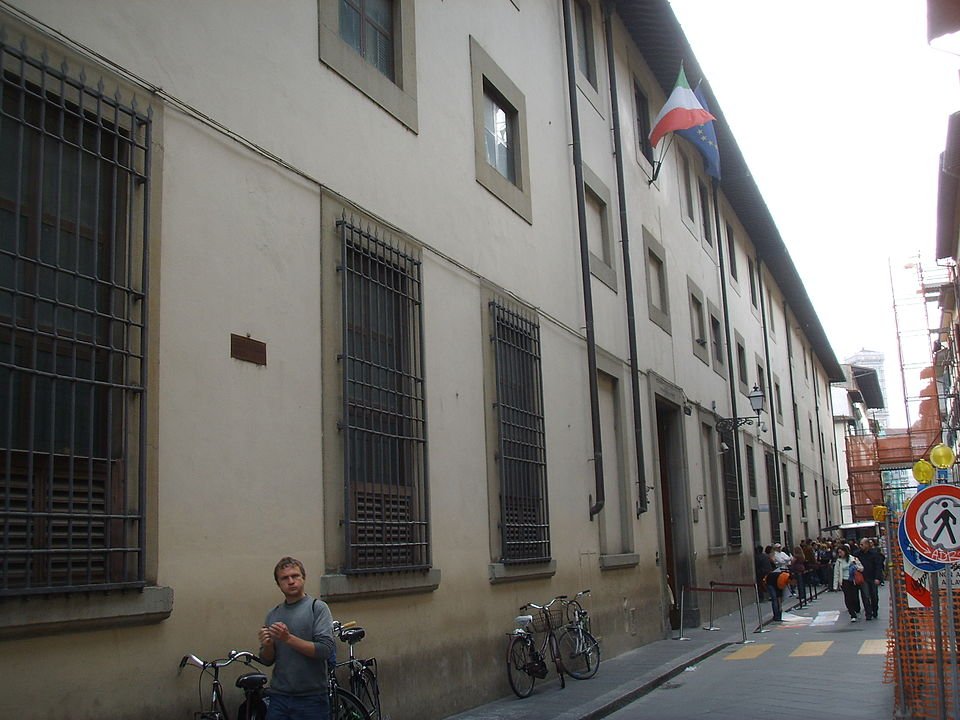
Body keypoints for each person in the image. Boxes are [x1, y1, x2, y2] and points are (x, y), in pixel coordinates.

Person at [258, 557, 336, 720]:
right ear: (278, 583)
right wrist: (267, 646)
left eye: (295, 576)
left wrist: (288, 639)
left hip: (311, 698)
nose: (291, 581)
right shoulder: (273, 614)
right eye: (284, 578)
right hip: (279, 697)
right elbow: (266, 660)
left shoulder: (318, 608)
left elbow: (325, 650)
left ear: (303, 578)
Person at [833, 545, 864, 622]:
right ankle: (852, 614)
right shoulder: (838, 561)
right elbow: (836, 573)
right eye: (839, 552)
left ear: (845, 551)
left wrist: (856, 567)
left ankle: (857, 609)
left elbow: (861, 568)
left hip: (853, 580)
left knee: (854, 597)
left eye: (841, 552)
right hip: (844, 581)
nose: (840, 554)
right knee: (848, 597)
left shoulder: (853, 559)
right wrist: (835, 586)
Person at [858, 538, 884, 621]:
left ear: (867, 545)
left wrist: (878, 578)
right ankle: (868, 613)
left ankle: (875, 609)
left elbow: (878, 566)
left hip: (873, 577)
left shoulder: (874, 554)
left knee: (874, 596)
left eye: (862, 544)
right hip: (863, 578)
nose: (860, 546)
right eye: (860, 544)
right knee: (865, 596)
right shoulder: (858, 554)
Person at [757, 545, 782, 621]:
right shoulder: (767, 557)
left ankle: (777, 615)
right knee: (776, 598)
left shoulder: (761, 557)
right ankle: (778, 615)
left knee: (775, 598)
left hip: (769, 578)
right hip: (770, 578)